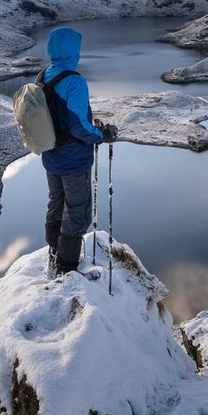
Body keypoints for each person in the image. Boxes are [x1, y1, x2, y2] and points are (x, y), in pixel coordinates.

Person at [40, 26, 117, 276]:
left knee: (56, 201)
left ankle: (54, 252)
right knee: (78, 210)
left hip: (51, 156)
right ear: (73, 51)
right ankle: (67, 267)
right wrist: (101, 135)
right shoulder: (73, 81)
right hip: (74, 160)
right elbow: (78, 125)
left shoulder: (43, 76)